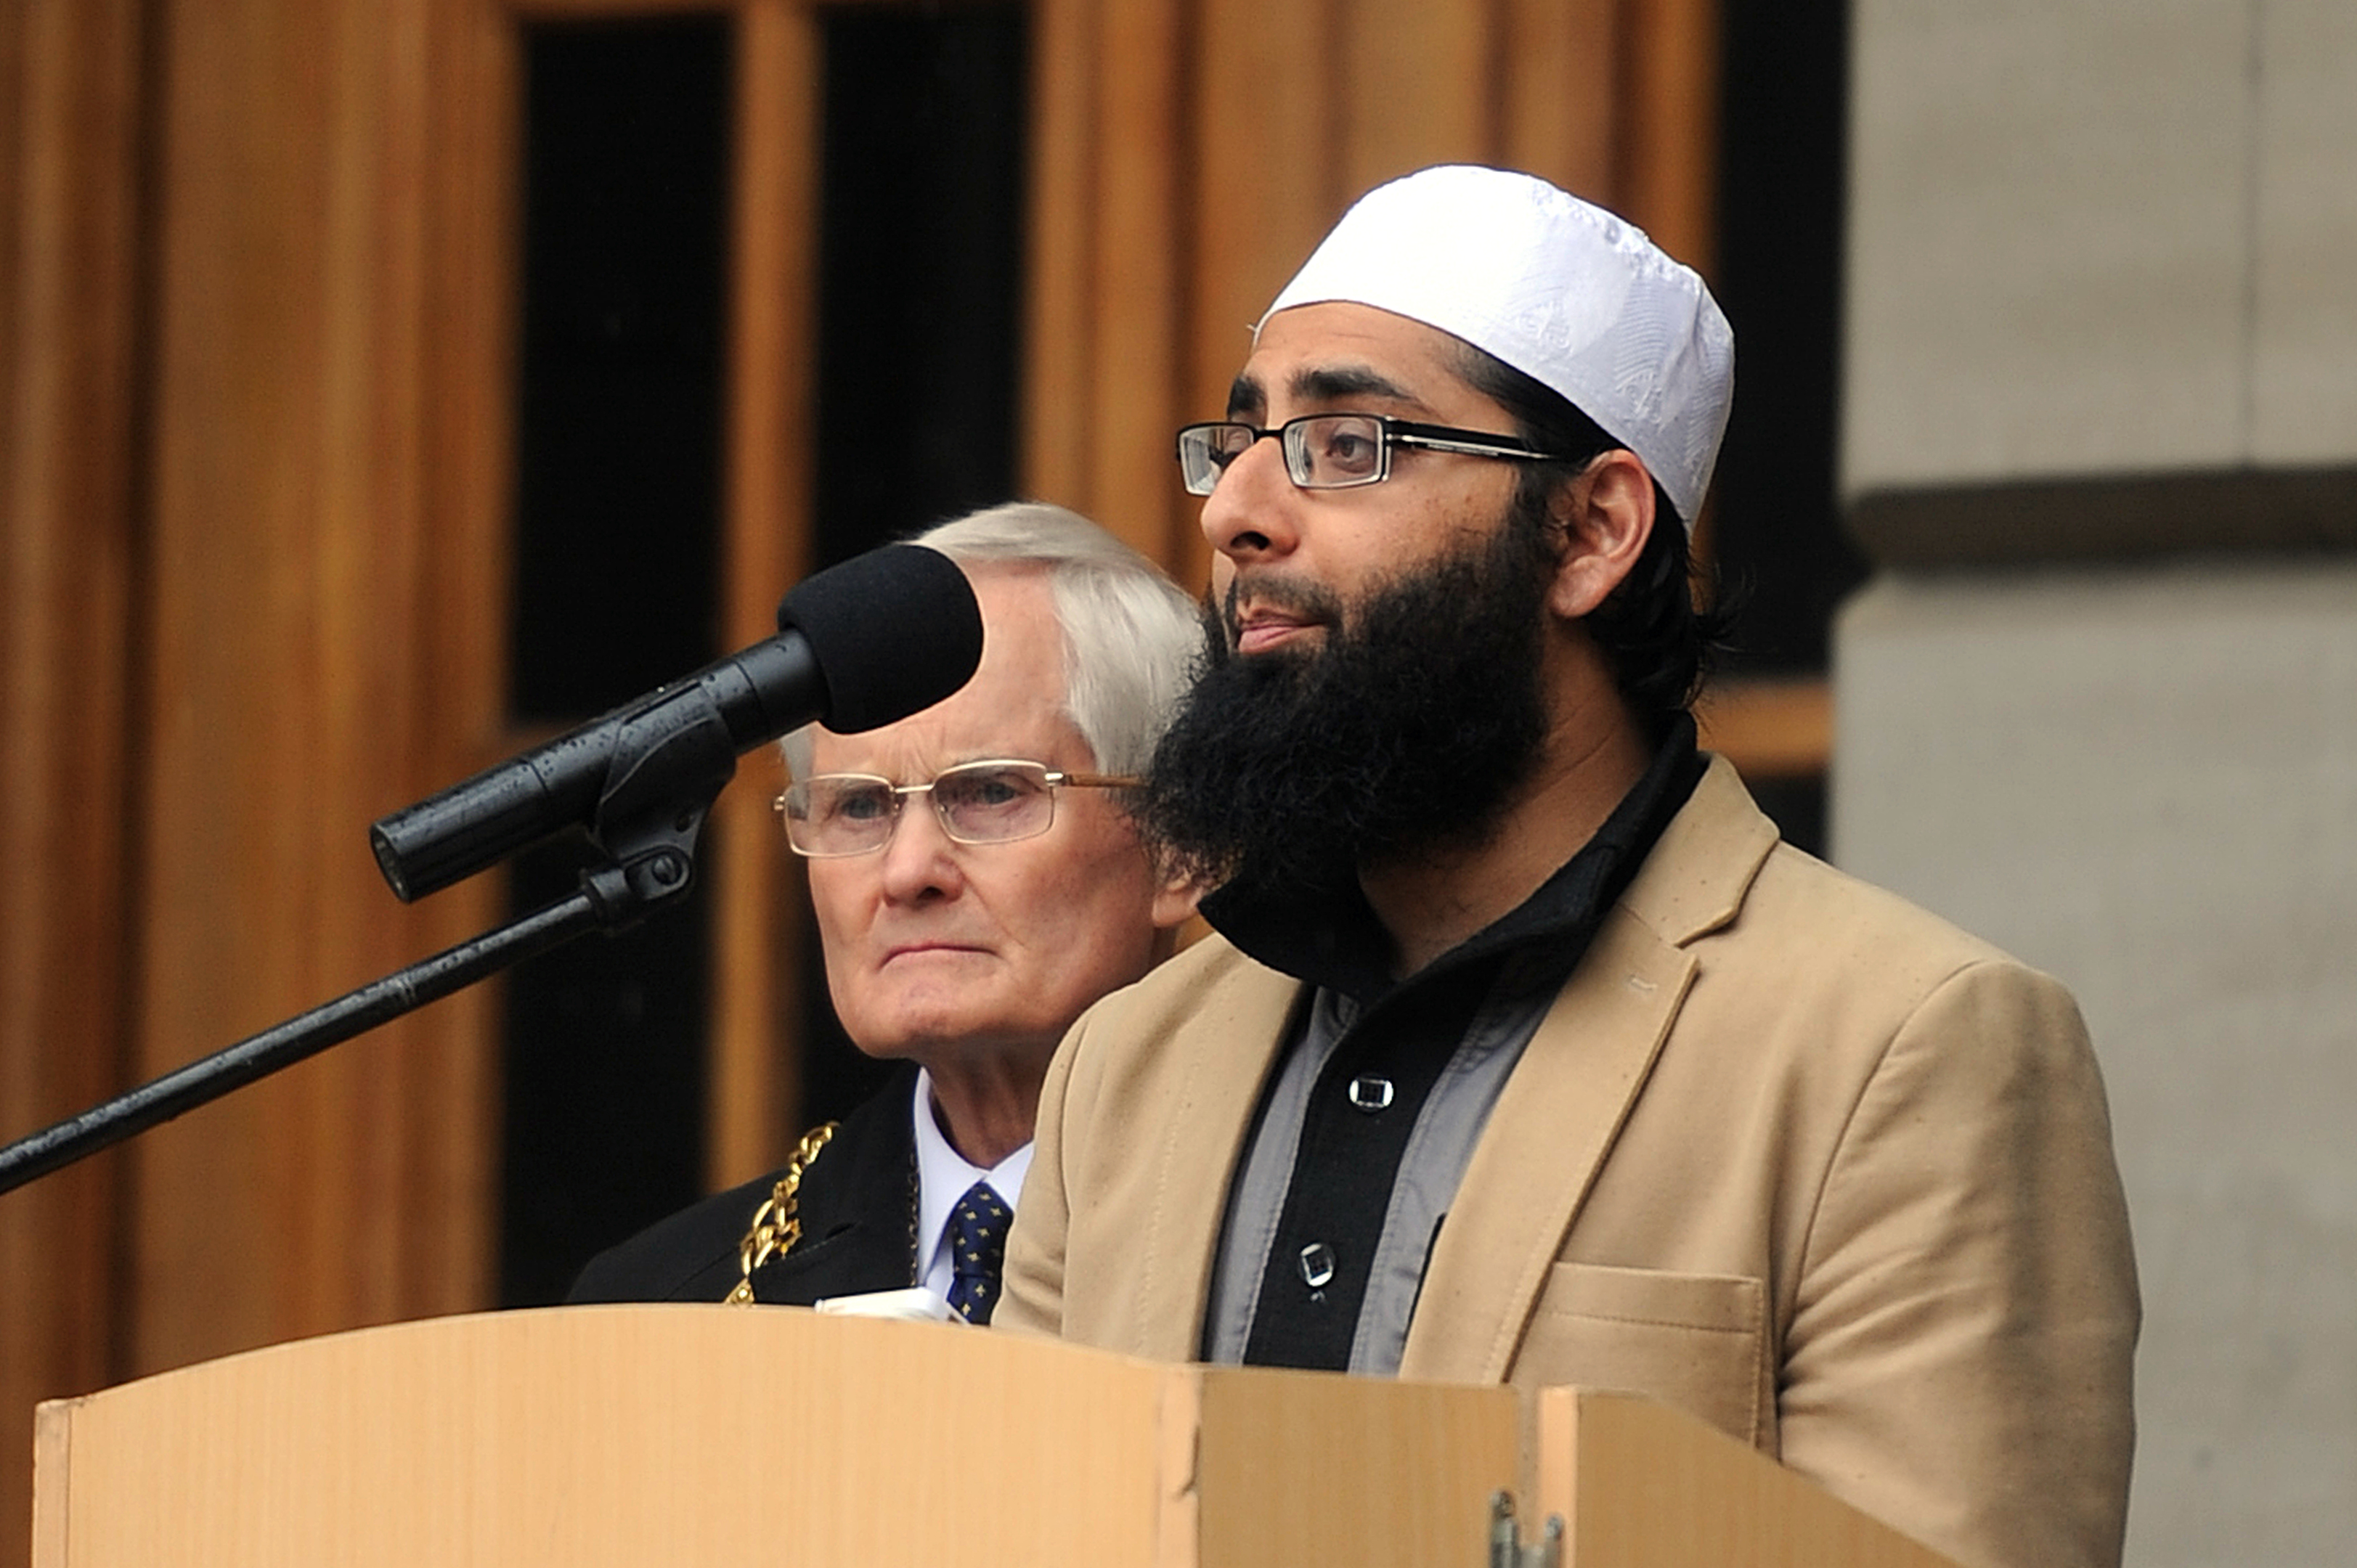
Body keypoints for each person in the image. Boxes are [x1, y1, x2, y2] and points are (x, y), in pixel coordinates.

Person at [998, 166, 2138, 1568]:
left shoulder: (1902, 1048)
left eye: (1346, 442)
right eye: (1238, 440)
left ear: (1593, 530)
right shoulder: (1131, 1063)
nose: (1237, 510)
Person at [571, 502, 1200, 1320]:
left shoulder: (1309, 1249)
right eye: (859, 808)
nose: (907, 873)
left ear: (1186, 842)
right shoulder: (659, 1305)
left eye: (991, 793)